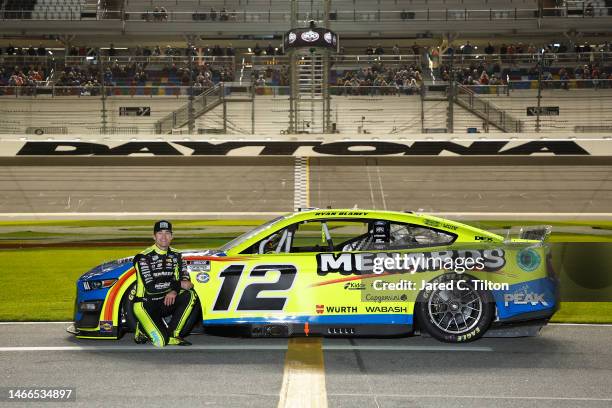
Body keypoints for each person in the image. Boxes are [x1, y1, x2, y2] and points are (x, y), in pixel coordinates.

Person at [132, 220, 197, 347]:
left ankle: (173, 334)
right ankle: (142, 330)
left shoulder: (177, 255)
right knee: (160, 343)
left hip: (165, 302)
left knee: (190, 294)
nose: (164, 237)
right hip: (146, 304)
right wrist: (175, 286)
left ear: (172, 236)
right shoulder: (142, 257)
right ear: (154, 236)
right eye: (160, 233)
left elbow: (186, 282)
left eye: (167, 233)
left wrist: (174, 290)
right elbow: (151, 287)